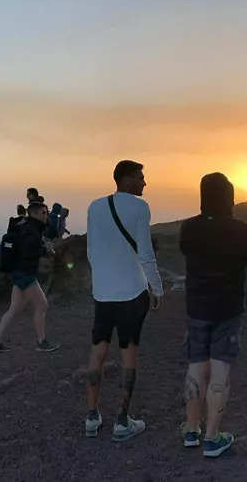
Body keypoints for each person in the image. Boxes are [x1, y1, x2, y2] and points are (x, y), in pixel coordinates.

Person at [179, 172, 247, 457]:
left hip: (197, 309)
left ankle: (191, 431)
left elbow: (186, 249)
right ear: (229, 196)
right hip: (227, 309)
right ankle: (213, 438)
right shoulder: (240, 229)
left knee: (195, 367)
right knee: (220, 370)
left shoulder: (189, 228)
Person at [83, 160, 163, 442]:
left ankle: (92, 417)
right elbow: (145, 253)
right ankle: (122, 420)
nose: (144, 182)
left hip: (103, 294)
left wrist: (102, 281)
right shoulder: (140, 208)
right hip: (132, 293)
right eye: (141, 177)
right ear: (126, 179)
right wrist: (157, 288)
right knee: (129, 353)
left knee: (98, 351)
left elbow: (91, 251)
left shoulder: (94, 206)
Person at [0, 201, 59, 353]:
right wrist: (44, 250)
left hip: (18, 272)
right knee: (42, 305)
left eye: (46, 212)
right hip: (25, 273)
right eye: (43, 213)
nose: (46, 216)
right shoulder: (31, 229)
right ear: (33, 213)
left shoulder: (25, 227)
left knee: (15, 308)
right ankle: (42, 342)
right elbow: (28, 252)